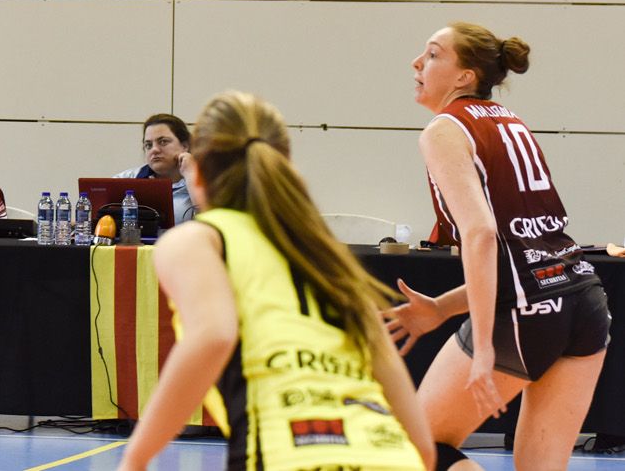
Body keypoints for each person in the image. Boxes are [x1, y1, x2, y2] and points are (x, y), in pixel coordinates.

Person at [115, 91, 433, 471]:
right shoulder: (325, 255)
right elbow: (423, 446)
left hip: (289, 454)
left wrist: (135, 457)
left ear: (196, 169)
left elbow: (213, 336)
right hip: (393, 456)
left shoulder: (199, 239)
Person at [385, 24, 608, 471]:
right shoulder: (510, 120)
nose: (417, 63)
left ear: (464, 76)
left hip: (527, 311)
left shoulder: (445, 128)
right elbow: (524, 259)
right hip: (583, 298)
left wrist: (485, 346)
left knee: (414, 450)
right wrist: (442, 308)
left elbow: (482, 234)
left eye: (433, 54)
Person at [113, 113, 196, 223]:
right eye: (148, 145)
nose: (154, 150)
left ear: (185, 146)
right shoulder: (128, 179)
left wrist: (192, 176)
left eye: (163, 142)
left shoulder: (204, 180)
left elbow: (210, 219)